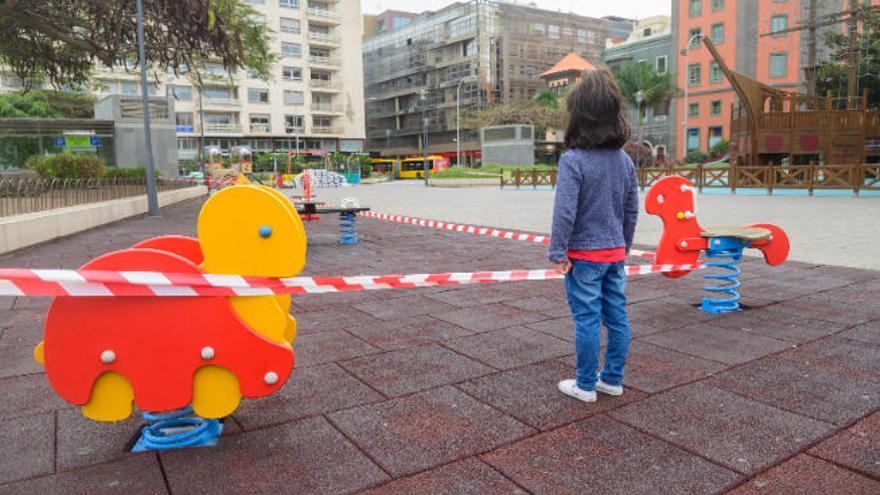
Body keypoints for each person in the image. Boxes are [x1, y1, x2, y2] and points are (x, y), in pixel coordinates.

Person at [548, 69, 639, 403]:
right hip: (614, 253)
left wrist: (558, 252)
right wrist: (623, 245)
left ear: (578, 118)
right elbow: (632, 209)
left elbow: (565, 211)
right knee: (617, 316)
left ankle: (585, 385)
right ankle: (612, 379)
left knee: (586, 318)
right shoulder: (624, 161)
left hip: (584, 256)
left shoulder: (573, 160)